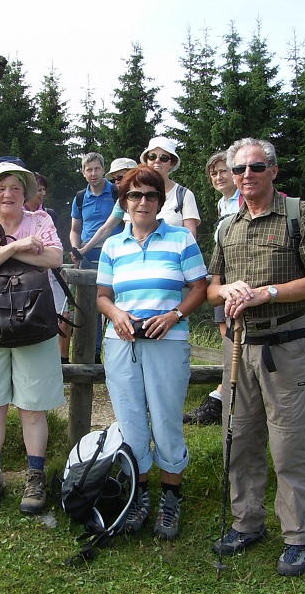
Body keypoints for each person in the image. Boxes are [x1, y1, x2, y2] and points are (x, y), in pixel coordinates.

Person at [207, 137, 305, 577]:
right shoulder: (227, 226)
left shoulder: (302, 215)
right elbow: (210, 287)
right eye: (238, 169)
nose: (246, 176)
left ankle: (298, 535)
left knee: (289, 443)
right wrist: (226, 291)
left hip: (288, 346)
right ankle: (247, 524)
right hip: (238, 347)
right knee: (240, 438)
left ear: (273, 170)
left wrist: (268, 293)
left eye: (255, 168)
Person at [97, 164, 207, 539]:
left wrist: (174, 315)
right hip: (121, 343)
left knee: (166, 420)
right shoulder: (113, 245)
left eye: (151, 195)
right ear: (124, 201)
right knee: (131, 422)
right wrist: (116, 314)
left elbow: (199, 288)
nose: (143, 202)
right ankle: (139, 496)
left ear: (161, 201)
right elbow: (102, 296)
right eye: (135, 195)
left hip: (167, 342)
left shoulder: (181, 240)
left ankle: (171, 499)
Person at [0, 160, 65, 515]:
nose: (8, 194)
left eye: (16, 188)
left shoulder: (42, 221)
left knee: (33, 408)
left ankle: (34, 477)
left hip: (34, 325)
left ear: (26, 193)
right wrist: (18, 248)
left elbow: (54, 257)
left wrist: (0, 252)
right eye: (0, 187)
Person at [184, 149, 241, 425]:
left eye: (223, 171)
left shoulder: (243, 200)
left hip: (238, 280)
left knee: (237, 341)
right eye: (213, 173)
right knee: (227, 339)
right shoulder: (224, 203)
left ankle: (222, 399)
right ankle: (227, 398)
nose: (218, 176)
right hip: (222, 279)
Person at [69, 153, 122, 363]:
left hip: (115, 254)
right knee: (88, 304)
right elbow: (75, 228)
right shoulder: (80, 197)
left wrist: (81, 250)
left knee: (115, 303)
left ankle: (115, 350)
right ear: (83, 173)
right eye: (88, 170)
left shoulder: (117, 192)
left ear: (103, 169)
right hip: (87, 255)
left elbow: (110, 227)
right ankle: (94, 352)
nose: (93, 173)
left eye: (97, 168)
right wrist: (75, 248)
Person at [26, 172, 70, 364]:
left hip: (52, 272)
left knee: (65, 315)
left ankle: (63, 360)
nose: (41, 193)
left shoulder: (50, 214)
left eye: (44, 189)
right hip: (29, 277)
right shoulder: (19, 216)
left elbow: (55, 247)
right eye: (38, 189)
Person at [73, 157, 138, 258]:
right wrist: (81, 251)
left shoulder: (149, 198)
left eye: (120, 178)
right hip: (120, 253)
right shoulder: (121, 201)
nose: (117, 182)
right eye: (114, 179)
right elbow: (106, 228)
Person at [139, 136, 201, 239]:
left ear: (172, 163)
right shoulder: (134, 193)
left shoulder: (184, 195)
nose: (157, 161)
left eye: (163, 158)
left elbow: (190, 238)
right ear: (147, 160)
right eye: (152, 157)